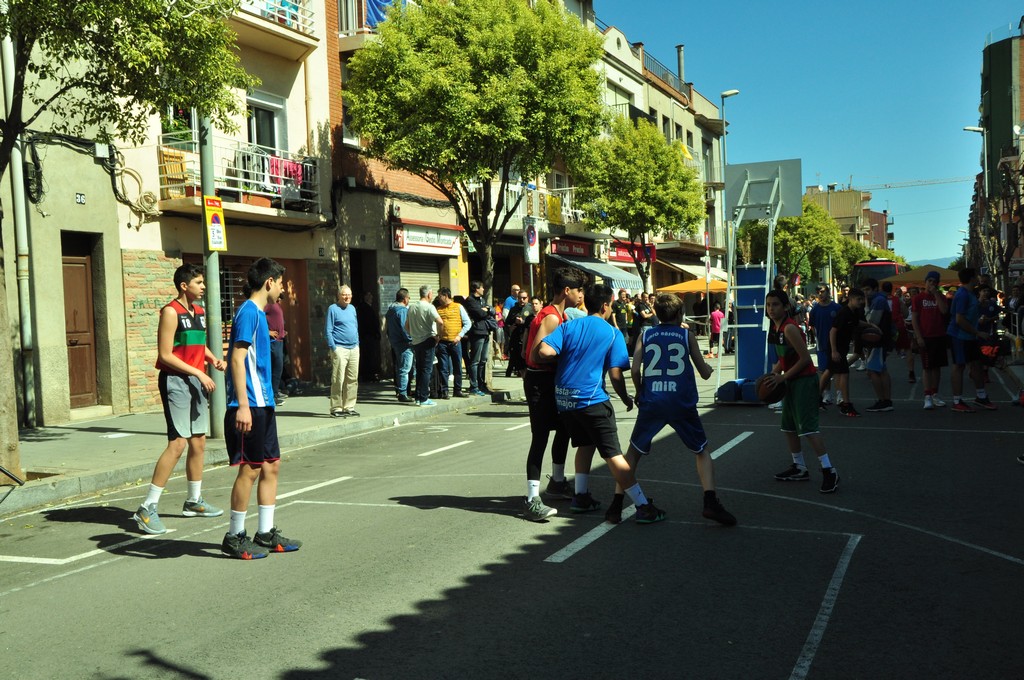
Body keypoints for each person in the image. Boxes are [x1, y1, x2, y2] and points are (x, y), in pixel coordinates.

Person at [538, 283, 666, 523]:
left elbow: (544, 351)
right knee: (614, 455)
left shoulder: (570, 326)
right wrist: (626, 397)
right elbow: (616, 374)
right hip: (591, 399)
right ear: (606, 306)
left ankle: (581, 496)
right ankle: (642, 505)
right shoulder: (611, 333)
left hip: (565, 400)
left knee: (585, 444)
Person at [609, 292, 736, 526]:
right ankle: (710, 501)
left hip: (653, 400)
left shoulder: (646, 335)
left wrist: (640, 390)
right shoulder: (686, 335)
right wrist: (708, 369)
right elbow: (704, 372)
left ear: (657, 314)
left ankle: (616, 504)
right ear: (680, 314)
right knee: (701, 450)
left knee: (633, 453)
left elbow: (635, 370)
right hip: (680, 400)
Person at [133, 263, 227, 535]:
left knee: (198, 441)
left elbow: (197, 344)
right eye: (199, 282)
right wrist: (199, 372)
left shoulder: (198, 311)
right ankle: (147, 508)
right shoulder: (170, 312)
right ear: (184, 286)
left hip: (196, 380)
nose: (203, 286)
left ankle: (194, 501)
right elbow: (165, 355)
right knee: (177, 444)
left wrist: (213, 359)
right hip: (176, 381)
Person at [222, 257, 301, 559]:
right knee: (251, 468)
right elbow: (236, 359)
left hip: (264, 402)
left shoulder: (259, 314)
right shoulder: (248, 312)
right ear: (269, 282)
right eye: (280, 283)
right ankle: (234, 536)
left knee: (271, 465)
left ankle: (265, 532)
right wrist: (242, 405)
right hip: (249, 404)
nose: (282, 289)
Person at [520, 269, 585, 521]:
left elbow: (528, 348)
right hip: (540, 382)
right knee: (540, 437)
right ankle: (531, 499)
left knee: (564, 429)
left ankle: (557, 482)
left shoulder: (559, 315)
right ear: (567, 291)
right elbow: (535, 354)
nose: (581, 295)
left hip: (548, 380)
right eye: (578, 290)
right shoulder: (551, 317)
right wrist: (566, 358)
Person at [764, 289, 840, 494]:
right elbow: (784, 359)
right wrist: (772, 374)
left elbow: (806, 359)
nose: (771, 308)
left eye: (775, 304)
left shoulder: (789, 328)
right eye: (768, 304)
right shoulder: (775, 327)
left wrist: (782, 377)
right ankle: (799, 467)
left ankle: (829, 470)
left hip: (804, 381)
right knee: (788, 427)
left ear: (785, 307)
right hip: (791, 381)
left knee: (808, 428)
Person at [946, 268, 995, 412]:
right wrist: (978, 332)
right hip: (959, 336)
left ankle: (981, 397)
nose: (978, 278)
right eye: (976, 276)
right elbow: (959, 319)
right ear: (972, 278)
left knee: (977, 365)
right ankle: (957, 401)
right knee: (959, 366)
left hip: (970, 336)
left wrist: (980, 305)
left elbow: (969, 311)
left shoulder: (970, 293)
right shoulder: (962, 294)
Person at [830, 288, 867, 417]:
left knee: (833, 373)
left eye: (862, 299)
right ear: (851, 299)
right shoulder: (844, 312)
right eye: (858, 299)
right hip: (837, 348)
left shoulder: (853, 312)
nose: (861, 301)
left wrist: (871, 326)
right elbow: (833, 331)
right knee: (844, 374)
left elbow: (858, 322)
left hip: (842, 348)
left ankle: (825, 399)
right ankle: (846, 404)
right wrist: (834, 350)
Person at [406, 285, 444, 407]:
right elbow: (440, 321)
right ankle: (423, 398)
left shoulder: (412, 307)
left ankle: (418, 397)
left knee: (419, 369)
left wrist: (413, 334)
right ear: (429, 294)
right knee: (427, 370)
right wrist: (439, 336)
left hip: (416, 342)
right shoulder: (429, 307)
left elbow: (406, 325)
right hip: (428, 340)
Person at [326, 285, 360, 417]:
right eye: (344, 294)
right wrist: (333, 348)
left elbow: (355, 326)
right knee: (338, 379)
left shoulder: (352, 308)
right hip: (340, 348)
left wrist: (357, 343)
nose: (347, 297)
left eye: (349, 294)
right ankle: (336, 408)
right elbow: (328, 330)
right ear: (339, 295)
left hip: (354, 348)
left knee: (352, 379)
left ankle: (349, 406)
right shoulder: (333, 309)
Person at [860, 278, 894, 413]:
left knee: (873, 371)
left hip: (878, 340)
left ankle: (883, 401)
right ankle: (886, 400)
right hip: (880, 340)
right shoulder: (879, 299)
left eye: (867, 290)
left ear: (875, 289)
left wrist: (866, 306)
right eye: (863, 290)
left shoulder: (878, 300)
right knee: (882, 370)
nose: (865, 293)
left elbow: (872, 320)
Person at [435, 287, 471, 399]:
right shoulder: (438, 309)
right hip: (442, 342)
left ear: (446, 296)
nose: (438, 298)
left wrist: (459, 336)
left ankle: (457, 390)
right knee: (443, 368)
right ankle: (444, 391)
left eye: (440, 296)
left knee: (457, 367)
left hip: (455, 342)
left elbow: (468, 323)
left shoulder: (458, 307)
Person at [809, 286, 841, 408]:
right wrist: (818, 338)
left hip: (836, 345)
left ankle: (840, 394)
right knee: (823, 370)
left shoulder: (837, 308)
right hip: (821, 345)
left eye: (822, 292)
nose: (820, 294)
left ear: (828, 292)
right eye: (818, 292)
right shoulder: (814, 310)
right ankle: (827, 394)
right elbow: (812, 327)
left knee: (837, 371)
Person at [463, 280, 493, 396]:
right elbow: (480, 314)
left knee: (483, 360)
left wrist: (487, 309)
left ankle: (481, 384)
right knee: (475, 360)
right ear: (476, 289)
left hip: (485, 331)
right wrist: (485, 310)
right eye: (482, 287)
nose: (483, 289)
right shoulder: (470, 300)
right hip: (476, 332)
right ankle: (474, 386)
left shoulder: (482, 299)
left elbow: (491, 311)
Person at [385, 288, 414, 403]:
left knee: (400, 368)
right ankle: (403, 393)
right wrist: (411, 340)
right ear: (405, 299)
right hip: (404, 343)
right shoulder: (402, 311)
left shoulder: (390, 311)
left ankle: (401, 391)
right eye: (409, 298)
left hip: (395, 342)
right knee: (405, 369)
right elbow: (404, 328)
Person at [504, 290, 532, 377]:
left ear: (527, 298)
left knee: (524, 357)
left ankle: (523, 373)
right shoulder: (513, 309)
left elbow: (533, 322)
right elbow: (507, 323)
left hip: (526, 337)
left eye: (524, 298)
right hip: (515, 337)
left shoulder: (530, 308)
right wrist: (510, 327)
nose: (522, 300)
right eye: (520, 298)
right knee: (514, 355)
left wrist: (523, 322)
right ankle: (512, 371)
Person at [265, 298, 288, 404]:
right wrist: (267, 331)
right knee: (275, 368)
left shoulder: (276, 304)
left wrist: (282, 331)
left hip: (279, 340)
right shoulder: (269, 304)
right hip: (273, 342)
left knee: (278, 368)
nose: (282, 290)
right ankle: (272, 396)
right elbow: (259, 316)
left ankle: (275, 393)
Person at [356, 290, 382, 383]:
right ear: (365, 297)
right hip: (367, 336)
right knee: (368, 356)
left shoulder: (367, 307)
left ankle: (369, 374)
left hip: (369, 336)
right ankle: (368, 375)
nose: (371, 297)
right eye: (369, 295)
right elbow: (368, 323)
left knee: (370, 356)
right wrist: (374, 333)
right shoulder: (363, 308)